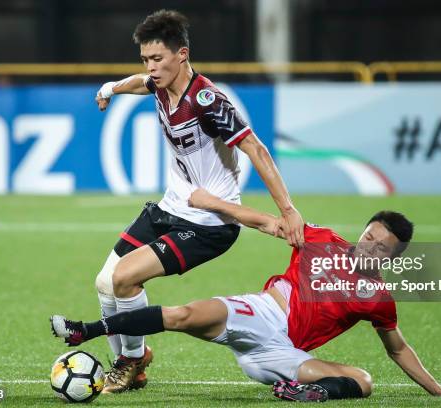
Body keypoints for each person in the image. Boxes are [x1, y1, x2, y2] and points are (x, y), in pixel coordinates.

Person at [51, 189, 441, 402]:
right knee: (183, 314)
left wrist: (440, 392)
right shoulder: (321, 240)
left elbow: (398, 350)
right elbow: (264, 223)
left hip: (280, 354)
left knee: (363, 381)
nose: (368, 247)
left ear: (393, 256)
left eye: (380, 246)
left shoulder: (377, 298)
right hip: (262, 312)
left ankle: (309, 394)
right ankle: (86, 330)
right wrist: (212, 203)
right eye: (367, 236)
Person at [91, 9, 304, 393]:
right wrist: (111, 88)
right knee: (105, 282)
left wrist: (286, 210)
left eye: (158, 59)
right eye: (146, 59)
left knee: (124, 278)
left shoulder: (206, 100)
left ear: (182, 54)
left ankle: (131, 361)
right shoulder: (159, 83)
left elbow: (255, 148)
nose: (151, 68)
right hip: (172, 206)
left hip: (208, 224)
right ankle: (133, 365)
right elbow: (141, 83)